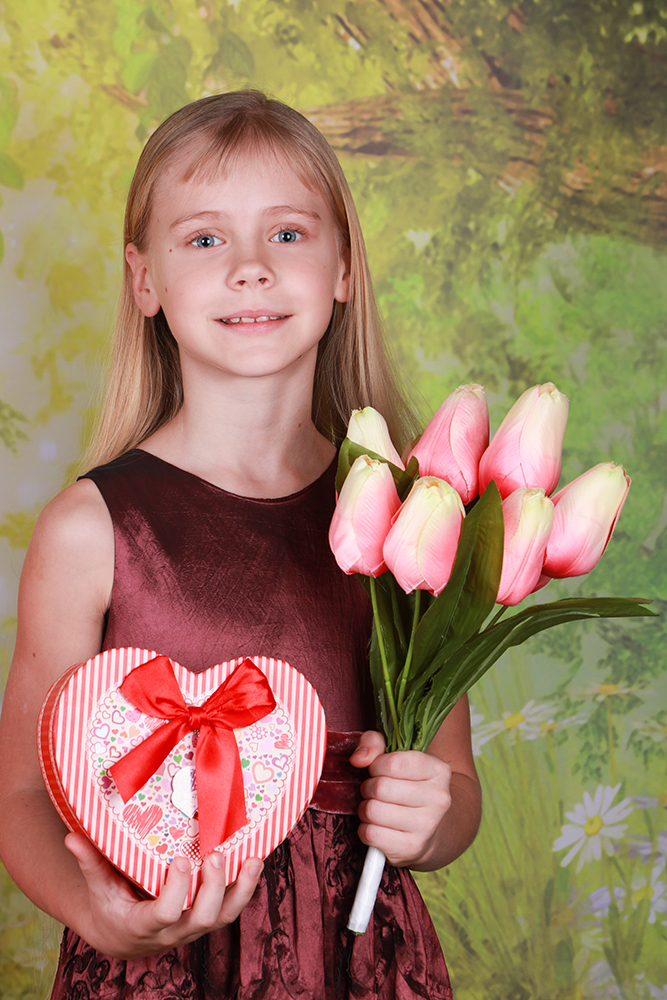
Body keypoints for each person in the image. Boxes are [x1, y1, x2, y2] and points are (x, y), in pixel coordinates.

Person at [0, 90, 482, 999]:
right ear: (144, 279)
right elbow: (23, 796)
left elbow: (452, 787)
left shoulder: (410, 523)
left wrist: (433, 817)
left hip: (356, 965)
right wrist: (100, 915)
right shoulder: (92, 528)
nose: (251, 269)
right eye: (205, 239)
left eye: (288, 234)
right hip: (159, 968)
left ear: (343, 268)